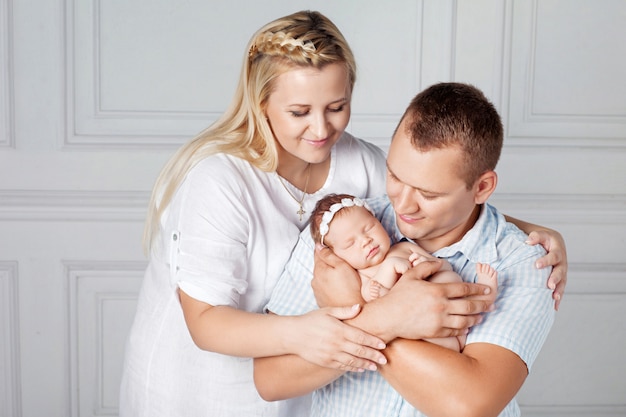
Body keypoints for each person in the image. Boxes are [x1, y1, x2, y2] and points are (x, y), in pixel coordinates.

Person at [118, 9, 566, 417]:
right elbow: (207, 326)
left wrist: (530, 234)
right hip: (201, 381)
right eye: (298, 112)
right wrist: (376, 316)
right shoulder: (220, 181)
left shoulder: (361, 166)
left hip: (316, 370)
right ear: (261, 104)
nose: (321, 129)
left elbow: (439, 209)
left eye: (337, 107)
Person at [254, 82, 559, 417]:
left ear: (482, 187)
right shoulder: (342, 232)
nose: (403, 204)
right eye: (395, 176)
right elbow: (271, 377)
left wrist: (355, 310)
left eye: (428, 194)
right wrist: (389, 317)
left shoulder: (524, 261)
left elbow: (469, 404)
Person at [310, 193, 498, 351]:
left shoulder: (404, 247)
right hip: (430, 328)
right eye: (350, 243)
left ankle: (486, 296)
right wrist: (388, 270)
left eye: (369, 228)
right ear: (337, 255)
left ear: (378, 221)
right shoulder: (362, 276)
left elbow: (444, 265)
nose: (365, 241)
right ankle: (457, 340)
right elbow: (372, 302)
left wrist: (426, 262)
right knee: (445, 343)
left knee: (459, 288)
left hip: (453, 302)